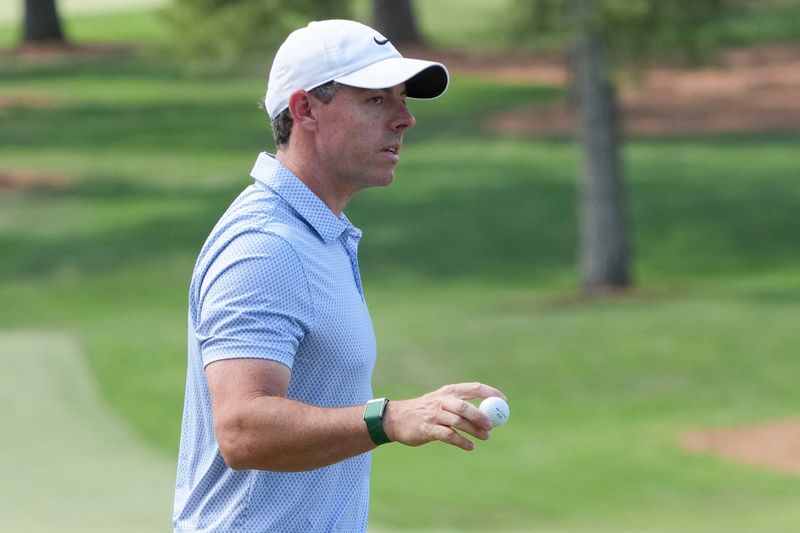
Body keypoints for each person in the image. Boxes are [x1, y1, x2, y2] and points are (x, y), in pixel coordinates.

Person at [173, 19, 506, 532]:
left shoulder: (313, 232)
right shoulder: (266, 245)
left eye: (402, 99)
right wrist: (388, 419)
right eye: (376, 101)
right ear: (305, 109)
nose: (404, 120)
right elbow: (241, 429)